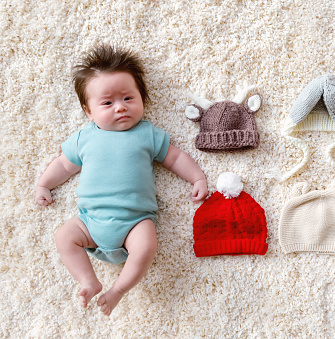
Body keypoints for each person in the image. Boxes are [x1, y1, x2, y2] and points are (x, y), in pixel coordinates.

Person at [34, 44, 208, 316]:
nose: (120, 108)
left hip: (135, 223)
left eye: (128, 98)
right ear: (89, 111)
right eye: (107, 103)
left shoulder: (147, 134)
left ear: (142, 98)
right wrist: (44, 184)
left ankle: (118, 290)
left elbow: (174, 158)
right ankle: (88, 280)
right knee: (64, 236)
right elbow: (64, 165)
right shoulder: (84, 138)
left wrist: (197, 177)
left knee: (147, 246)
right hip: (90, 223)